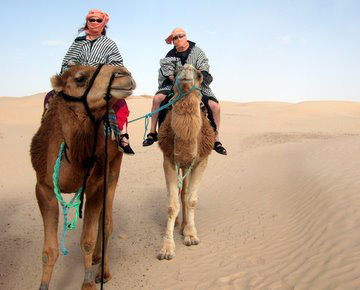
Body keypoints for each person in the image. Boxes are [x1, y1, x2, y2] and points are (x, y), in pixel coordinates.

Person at [44, 9, 134, 155]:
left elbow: (117, 64)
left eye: (98, 20)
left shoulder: (109, 44)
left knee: (119, 102)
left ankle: (123, 136)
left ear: (103, 24)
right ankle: (48, 133)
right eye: (91, 19)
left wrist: (100, 72)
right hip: (77, 82)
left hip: (99, 83)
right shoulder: (78, 42)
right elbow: (66, 62)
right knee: (50, 97)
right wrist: (76, 69)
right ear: (87, 22)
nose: (94, 22)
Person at [142, 28, 227, 155]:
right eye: (175, 38)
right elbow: (168, 72)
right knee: (157, 99)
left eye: (180, 36)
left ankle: (216, 139)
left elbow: (204, 68)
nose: (178, 39)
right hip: (175, 85)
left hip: (197, 85)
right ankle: (152, 132)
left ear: (186, 37)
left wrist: (197, 79)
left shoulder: (197, 52)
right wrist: (177, 81)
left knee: (215, 106)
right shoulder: (170, 54)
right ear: (172, 41)